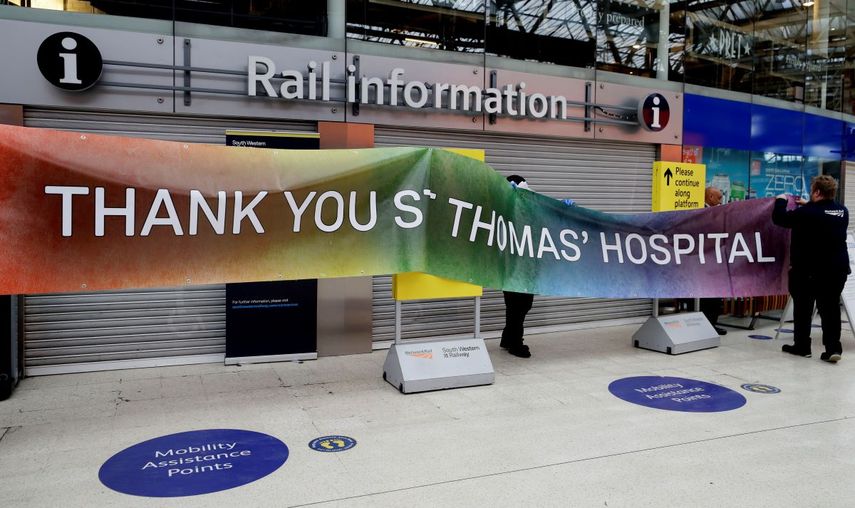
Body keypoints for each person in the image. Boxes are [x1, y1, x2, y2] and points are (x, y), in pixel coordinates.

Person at [772, 175, 850, 363]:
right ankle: (832, 349)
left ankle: (802, 346)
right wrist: (809, 205)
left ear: (816, 191)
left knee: (803, 308)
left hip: (808, 270)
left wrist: (781, 200)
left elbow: (779, 218)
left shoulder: (807, 213)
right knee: (830, 310)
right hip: (837, 269)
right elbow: (823, 215)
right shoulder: (842, 211)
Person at [500, 174, 575, 358]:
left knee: (520, 305)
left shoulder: (529, 210)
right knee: (518, 305)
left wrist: (561, 209)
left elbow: (546, 214)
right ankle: (516, 344)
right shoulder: (504, 208)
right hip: (514, 268)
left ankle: (508, 338)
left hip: (525, 268)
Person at [700, 186, 727, 335]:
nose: (720, 202)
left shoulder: (720, 213)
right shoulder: (699, 212)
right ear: (710, 197)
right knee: (707, 296)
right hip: (705, 261)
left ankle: (713, 324)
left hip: (717, 259)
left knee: (716, 294)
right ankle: (706, 325)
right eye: (718, 198)